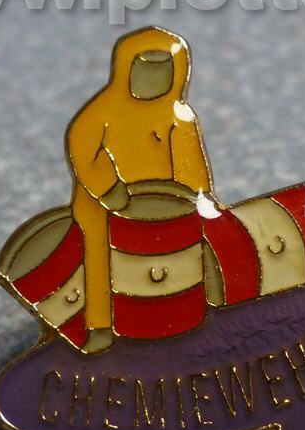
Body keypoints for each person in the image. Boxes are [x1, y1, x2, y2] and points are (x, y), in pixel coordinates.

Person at [65, 27, 213, 352]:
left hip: (161, 206)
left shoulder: (179, 116)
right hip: (103, 207)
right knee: (101, 263)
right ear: (125, 68)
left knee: (178, 258)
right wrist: (109, 190)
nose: (154, 78)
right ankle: (100, 327)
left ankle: (176, 320)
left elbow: (191, 163)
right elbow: (84, 152)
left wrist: (201, 199)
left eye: (163, 69)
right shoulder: (101, 113)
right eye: (146, 68)